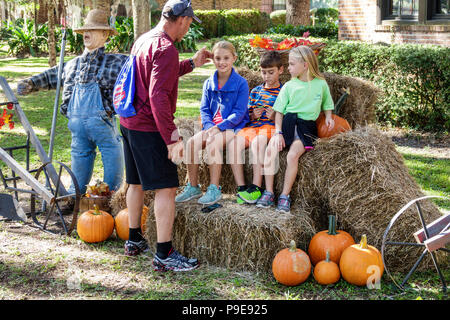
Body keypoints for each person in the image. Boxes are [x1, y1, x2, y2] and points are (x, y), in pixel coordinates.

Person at [119, 0, 212, 271]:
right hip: (148, 125)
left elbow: (155, 75)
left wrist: (191, 64)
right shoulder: (166, 48)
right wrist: (172, 139)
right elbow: (158, 94)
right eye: (190, 23)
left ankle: (134, 239)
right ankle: (164, 253)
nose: (188, 28)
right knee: (167, 188)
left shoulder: (145, 39)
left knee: (134, 182)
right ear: (183, 20)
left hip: (128, 121)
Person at [17, 9, 126, 196]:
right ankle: (73, 196)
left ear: (106, 35)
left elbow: (141, 69)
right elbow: (52, 76)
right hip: (77, 127)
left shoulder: (117, 62)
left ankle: (112, 196)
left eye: (93, 30)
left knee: (113, 155)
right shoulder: (72, 64)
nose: (86, 33)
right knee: (79, 159)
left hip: (102, 123)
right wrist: (31, 83)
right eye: (85, 30)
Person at [258, 45, 335, 213]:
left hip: (306, 127)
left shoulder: (321, 84)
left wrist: (328, 117)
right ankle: (269, 191)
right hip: (287, 123)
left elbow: (327, 104)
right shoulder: (288, 86)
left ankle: (285, 195)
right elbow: (278, 112)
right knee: (270, 150)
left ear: (305, 65)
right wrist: (278, 133)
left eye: (292, 64)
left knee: (293, 155)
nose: (289, 68)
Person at [175, 40, 249, 206]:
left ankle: (214, 188)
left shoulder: (241, 84)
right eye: (217, 58)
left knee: (212, 142)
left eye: (226, 58)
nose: (221, 62)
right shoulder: (208, 83)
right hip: (212, 127)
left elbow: (239, 113)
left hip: (232, 127)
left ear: (234, 59)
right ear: (212, 59)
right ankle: (193, 186)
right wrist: (209, 127)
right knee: (192, 142)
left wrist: (218, 128)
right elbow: (204, 109)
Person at [229, 50, 284, 204]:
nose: (267, 76)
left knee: (258, 142)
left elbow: (287, 116)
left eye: (271, 72)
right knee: (233, 144)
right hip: (252, 127)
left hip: (269, 128)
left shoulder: (283, 92)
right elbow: (246, 115)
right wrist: (253, 115)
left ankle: (256, 187)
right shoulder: (255, 91)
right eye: (263, 72)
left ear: (280, 70)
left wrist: (274, 115)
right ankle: (241, 188)